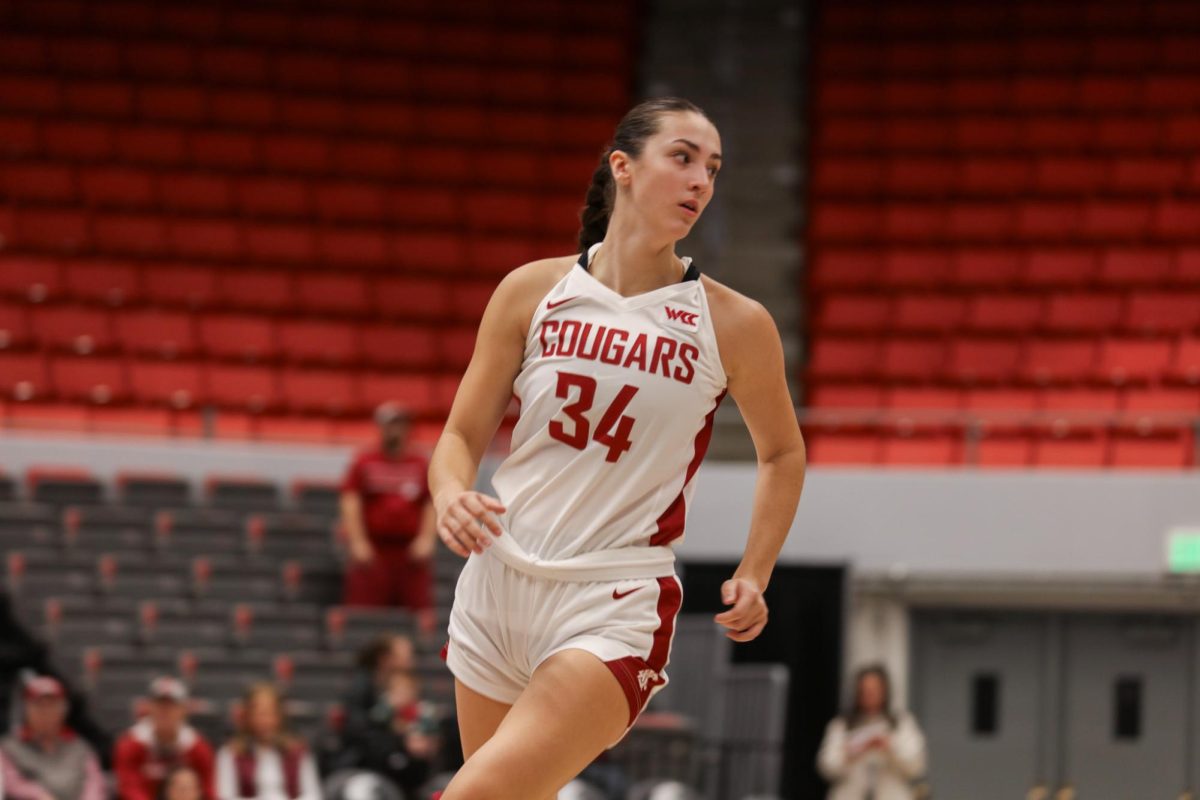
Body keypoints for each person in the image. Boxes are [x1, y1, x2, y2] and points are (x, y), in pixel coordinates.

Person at [428, 96, 807, 799]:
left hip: (611, 597)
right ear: (623, 168)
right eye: (684, 158)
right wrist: (451, 493)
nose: (701, 181)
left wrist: (756, 569)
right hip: (496, 582)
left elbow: (783, 453)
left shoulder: (732, 322)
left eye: (714, 169)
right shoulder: (531, 290)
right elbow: (457, 435)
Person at [340, 402, 438, 633]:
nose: (397, 430)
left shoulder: (420, 463)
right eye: (392, 424)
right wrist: (357, 542)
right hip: (374, 551)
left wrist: (426, 539)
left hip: (410, 553)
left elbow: (430, 502)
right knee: (365, 617)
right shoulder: (364, 461)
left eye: (402, 424)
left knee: (419, 617)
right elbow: (351, 501)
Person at [816, 665, 927, 800]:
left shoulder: (900, 724)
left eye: (874, 690)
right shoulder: (842, 725)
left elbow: (916, 767)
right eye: (865, 690)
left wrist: (889, 748)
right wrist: (849, 754)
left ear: (885, 691)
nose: (870, 695)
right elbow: (826, 768)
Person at [0, 675, 105, 800]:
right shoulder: (9, 747)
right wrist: (39, 796)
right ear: (27, 709)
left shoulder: (80, 747)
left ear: (64, 710)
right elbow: (11, 783)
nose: (46, 712)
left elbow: (94, 784)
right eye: (39, 706)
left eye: (52, 706)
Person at [115, 677, 216, 800]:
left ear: (183, 710)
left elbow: (208, 791)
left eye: (171, 706)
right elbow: (129, 789)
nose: (165, 712)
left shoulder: (198, 748)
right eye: (160, 705)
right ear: (150, 708)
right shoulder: (131, 744)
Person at [215, 684, 321, 800]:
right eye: (259, 714)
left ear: (279, 717)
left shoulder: (298, 752)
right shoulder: (231, 753)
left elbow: (313, 794)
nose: (265, 721)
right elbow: (225, 796)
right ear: (248, 717)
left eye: (270, 714)